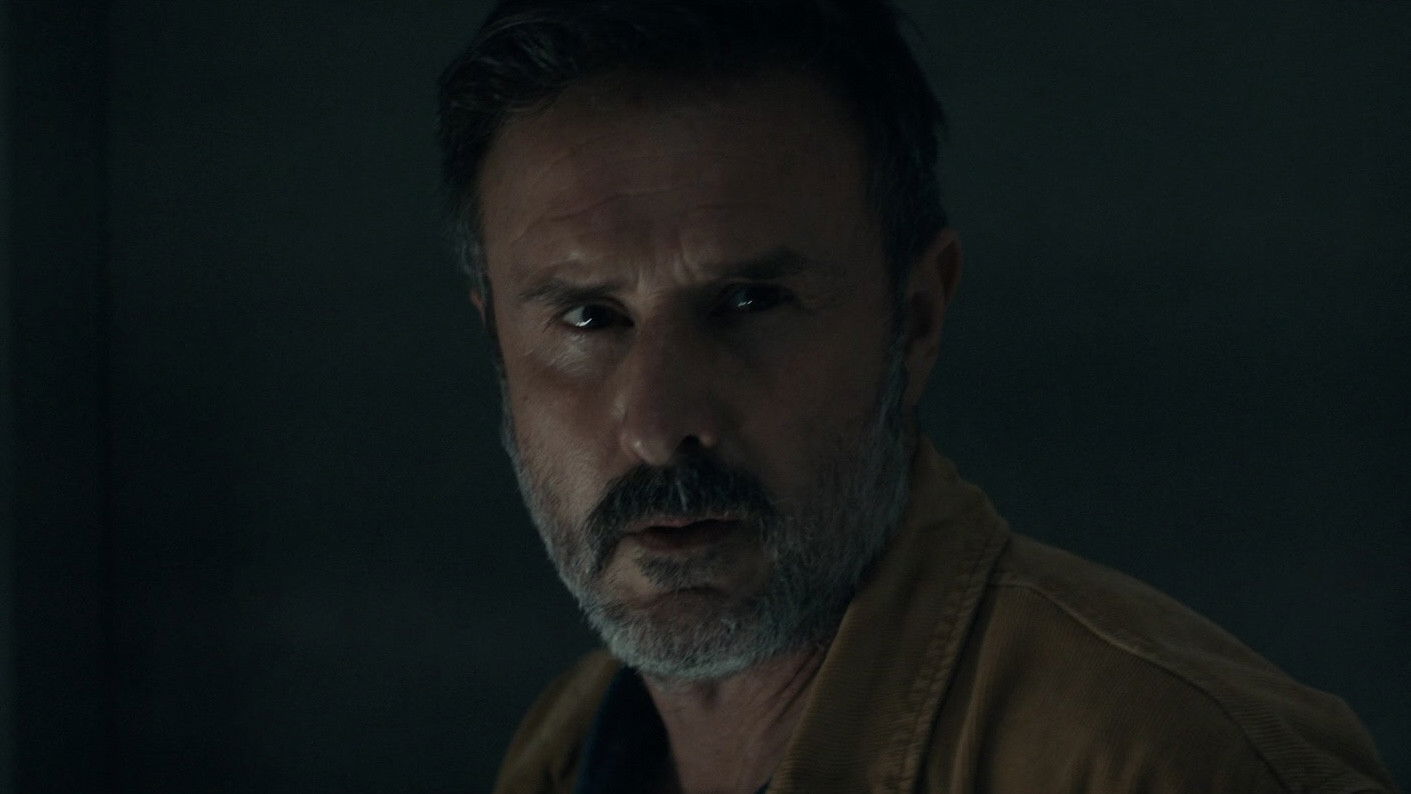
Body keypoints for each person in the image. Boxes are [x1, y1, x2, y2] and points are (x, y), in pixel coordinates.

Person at [437, 1, 1396, 792]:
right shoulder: (568, 748)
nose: (658, 427)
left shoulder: (1170, 762)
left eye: (749, 302)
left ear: (918, 318)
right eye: (588, 319)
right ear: (497, 348)